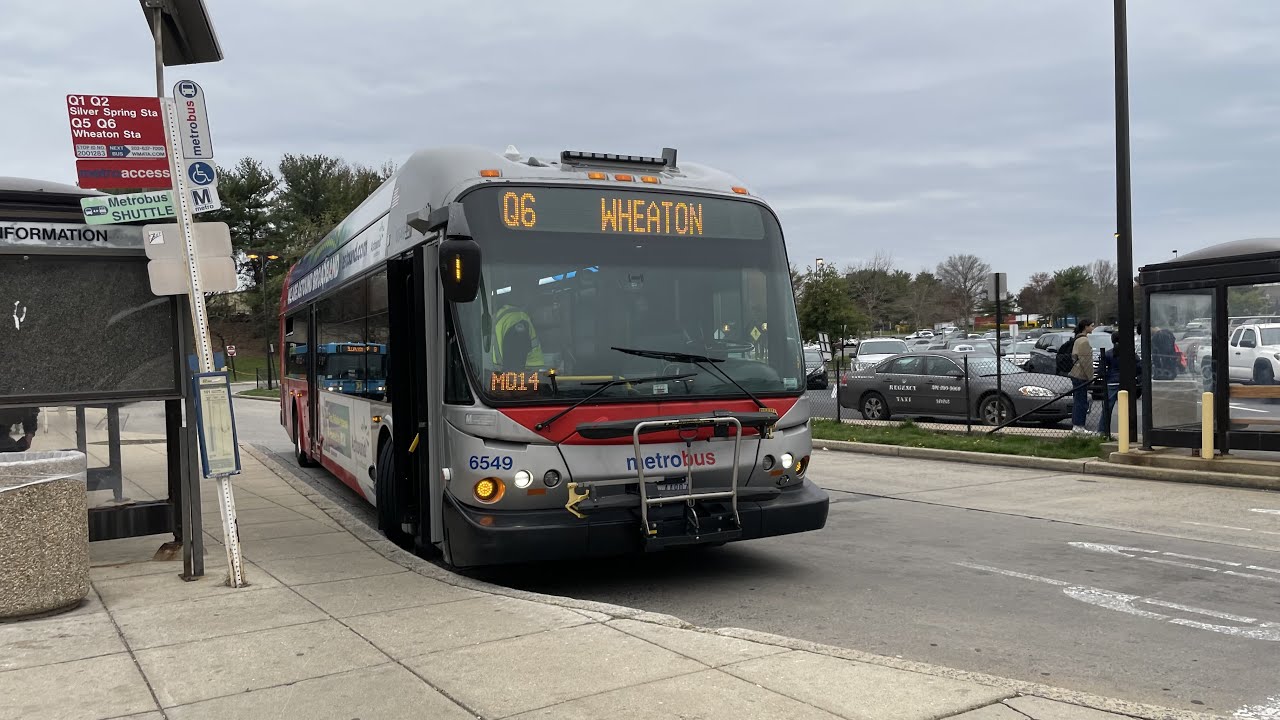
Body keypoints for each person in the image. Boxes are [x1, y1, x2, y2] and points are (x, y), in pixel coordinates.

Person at [491, 302, 544, 370]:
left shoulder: (500, 318)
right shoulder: (523, 317)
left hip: (512, 370)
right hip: (531, 367)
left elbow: (515, 349)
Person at [1068, 319, 1097, 435]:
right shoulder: (1084, 341)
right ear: (1086, 327)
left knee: (1078, 400)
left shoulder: (1077, 339)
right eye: (1091, 326)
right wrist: (1091, 377)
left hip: (1075, 374)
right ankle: (1079, 425)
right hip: (1081, 375)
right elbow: (1086, 361)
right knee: (1081, 401)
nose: (1093, 328)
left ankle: (1076, 426)